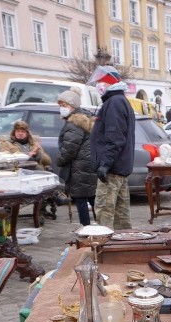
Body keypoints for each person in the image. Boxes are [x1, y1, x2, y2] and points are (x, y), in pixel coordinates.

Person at [88, 65, 135, 230]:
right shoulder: (119, 100)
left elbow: (115, 138)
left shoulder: (114, 102)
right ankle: (124, 247)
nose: (98, 85)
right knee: (121, 216)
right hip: (119, 167)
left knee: (104, 212)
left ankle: (103, 248)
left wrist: (105, 163)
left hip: (112, 169)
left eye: (101, 81)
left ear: (108, 82)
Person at [56, 89, 97, 226]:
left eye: (64, 105)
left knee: (81, 199)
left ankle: (86, 230)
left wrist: (60, 160)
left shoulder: (74, 122)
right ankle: (101, 226)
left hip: (79, 166)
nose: (61, 108)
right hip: (89, 163)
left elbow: (70, 148)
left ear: (73, 106)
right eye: (60, 105)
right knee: (92, 197)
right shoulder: (85, 117)